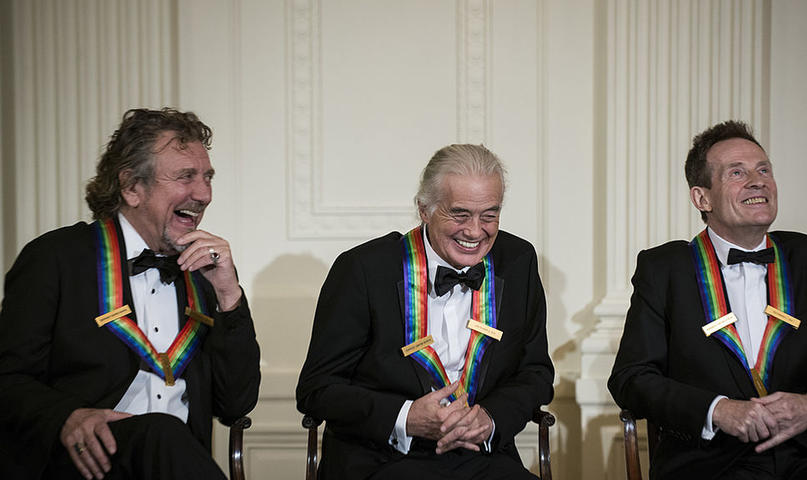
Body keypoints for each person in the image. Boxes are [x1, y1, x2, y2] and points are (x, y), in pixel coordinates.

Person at [0, 108, 261, 479]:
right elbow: (8, 380)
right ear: (132, 187)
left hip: (177, 464)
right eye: (186, 177)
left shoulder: (207, 273)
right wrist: (67, 417)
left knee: (165, 434)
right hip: (86, 465)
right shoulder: (56, 258)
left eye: (207, 178)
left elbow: (235, 404)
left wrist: (229, 294)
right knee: (159, 431)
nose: (204, 194)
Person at [609, 120, 807, 479]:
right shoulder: (664, 268)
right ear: (701, 198)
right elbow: (631, 378)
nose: (758, 181)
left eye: (764, 169)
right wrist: (718, 411)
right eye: (736, 172)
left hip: (806, 457)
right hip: (710, 462)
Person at [296, 144, 554, 479]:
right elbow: (317, 389)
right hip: (383, 459)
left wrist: (490, 418)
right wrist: (406, 417)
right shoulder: (363, 269)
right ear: (424, 209)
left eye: (489, 215)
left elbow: (536, 373)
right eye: (460, 214)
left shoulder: (518, 261)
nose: (476, 231)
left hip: (482, 459)